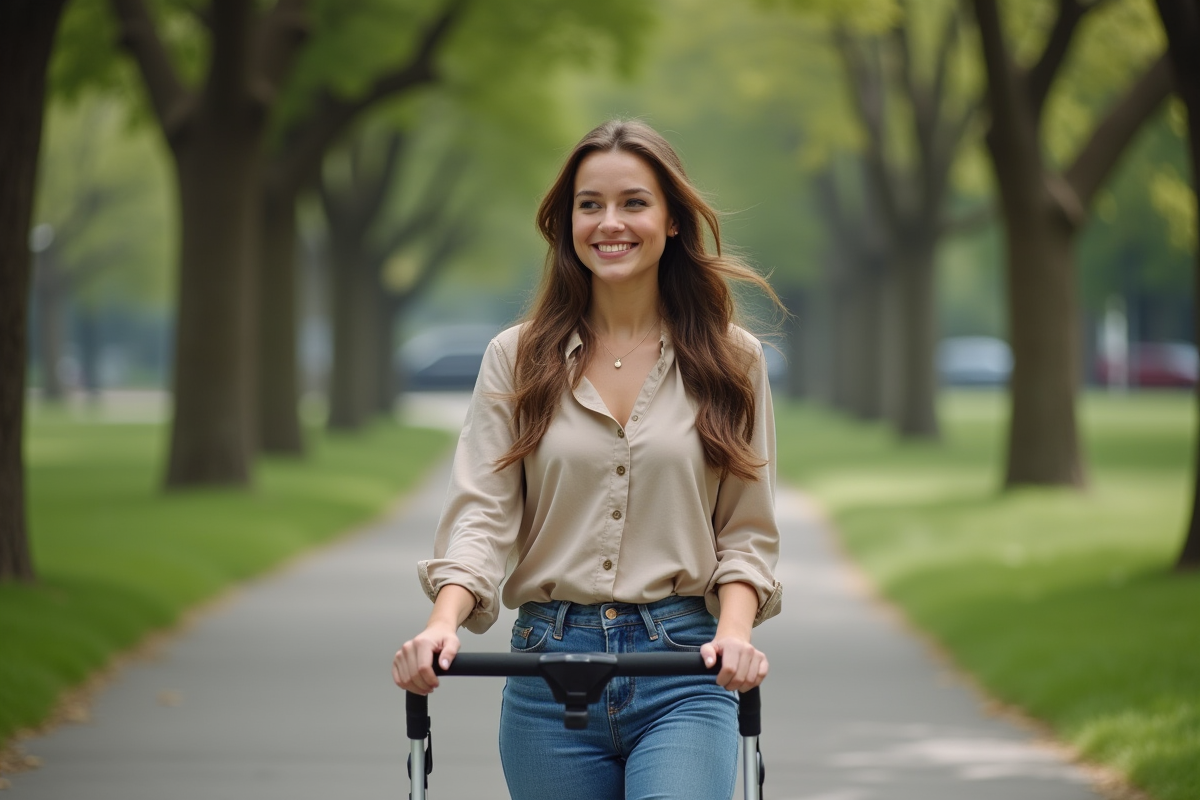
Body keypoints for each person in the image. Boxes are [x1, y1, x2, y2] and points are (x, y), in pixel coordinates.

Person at [392, 119, 782, 800]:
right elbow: (481, 517)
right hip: (548, 676)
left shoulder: (733, 360)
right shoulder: (515, 359)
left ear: (672, 222)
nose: (610, 223)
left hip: (683, 672)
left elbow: (746, 533)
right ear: (566, 220)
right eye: (589, 204)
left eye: (634, 202)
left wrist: (735, 634)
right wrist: (441, 625)